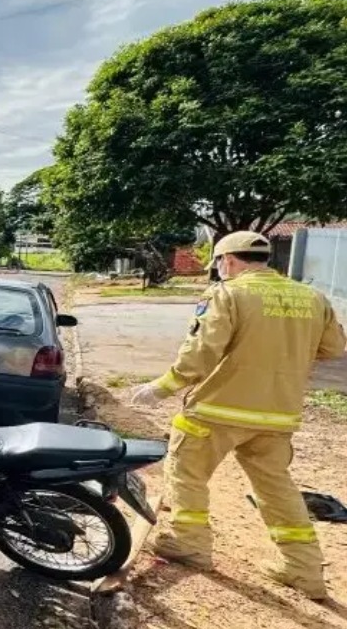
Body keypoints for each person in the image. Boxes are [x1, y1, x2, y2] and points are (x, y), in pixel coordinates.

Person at [130, 231, 346, 600]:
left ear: (227, 260)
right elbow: (334, 348)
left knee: (186, 472)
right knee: (276, 488)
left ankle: (189, 544)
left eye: (217, 263)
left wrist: (163, 387)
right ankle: (304, 569)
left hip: (217, 410)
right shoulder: (312, 297)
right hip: (278, 414)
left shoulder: (227, 294)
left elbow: (202, 352)